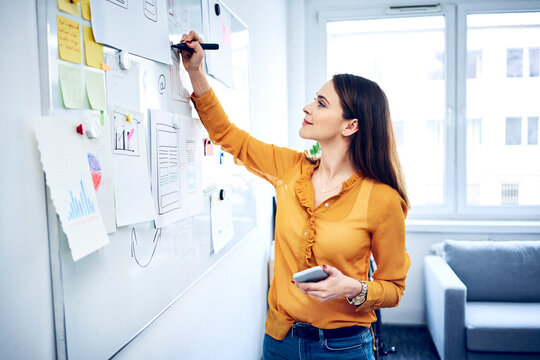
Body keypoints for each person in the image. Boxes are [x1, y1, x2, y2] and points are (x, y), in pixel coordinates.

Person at [180, 30, 411, 360]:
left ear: (350, 126)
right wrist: (195, 72)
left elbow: (394, 289)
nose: (307, 107)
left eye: (320, 103)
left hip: (343, 347)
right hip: (280, 341)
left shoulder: (382, 199)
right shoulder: (291, 170)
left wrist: (352, 288)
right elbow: (228, 136)